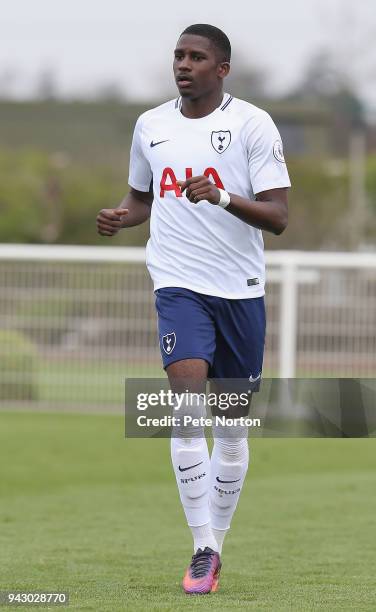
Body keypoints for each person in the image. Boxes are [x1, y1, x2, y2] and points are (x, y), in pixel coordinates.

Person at [96, 23, 290, 595]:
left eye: (196, 57)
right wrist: (121, 216)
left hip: (241, 290)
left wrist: (223, 196)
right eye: (178, 55)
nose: (183, 64)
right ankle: (201, 545)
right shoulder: (150, 125)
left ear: (221, 68)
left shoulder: (252, 124)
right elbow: (142, 197)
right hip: (178, 286)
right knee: (186, 407)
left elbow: (278, 216)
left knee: (231, 432)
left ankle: (219, 543)